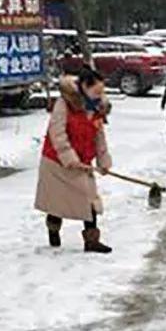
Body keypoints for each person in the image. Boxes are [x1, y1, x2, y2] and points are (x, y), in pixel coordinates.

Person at [35, 68, 114, 254]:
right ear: (84, 88)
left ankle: (92, 241)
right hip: (57, 162)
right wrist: (69, 158)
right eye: (96, 91)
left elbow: (99, 136)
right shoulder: (64, 103)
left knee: (89, 202)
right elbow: (57, 133)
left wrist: (103, 161)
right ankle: (53, 232)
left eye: (102, 91)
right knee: (56, 203)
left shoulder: (96, 108)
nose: (100, 95)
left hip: (83, 163)